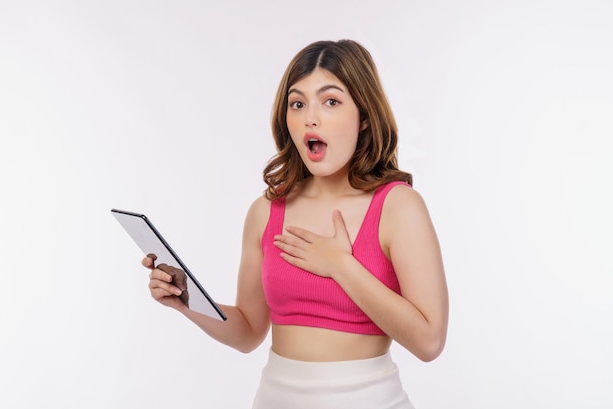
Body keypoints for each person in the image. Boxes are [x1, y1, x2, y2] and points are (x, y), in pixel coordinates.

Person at [142, 39, 449, 409]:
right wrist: (186, 301)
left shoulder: (398, 207)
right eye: (297, 103)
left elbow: (430, 342)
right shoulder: (265, 211)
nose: (310, 118)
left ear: (365, 116)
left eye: (330, 101)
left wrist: (340, 265)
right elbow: (249, 332)